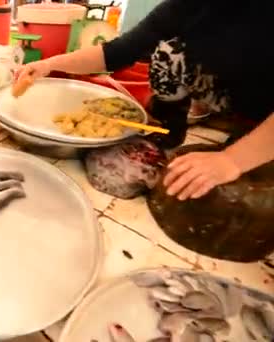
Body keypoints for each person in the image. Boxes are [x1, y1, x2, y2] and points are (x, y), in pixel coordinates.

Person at [15, 0, 274, 201]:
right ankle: (166, 136)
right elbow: (119, 52)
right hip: (231, 94)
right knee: (167, 54)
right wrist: (47, 65)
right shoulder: (187, 7)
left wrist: (233, 160)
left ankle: (250, 139)